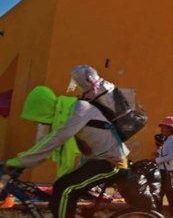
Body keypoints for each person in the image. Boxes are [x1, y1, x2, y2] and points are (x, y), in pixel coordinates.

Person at [3, 86, 127, 218]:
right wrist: (21, 163)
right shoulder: (66, 113)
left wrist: (18, 162)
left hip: (112, 163)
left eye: (40, 117)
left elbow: (54, 141)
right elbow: (49, 145)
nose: (41, 123)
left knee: (66, 189)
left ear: (45, 108)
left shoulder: (79, 111)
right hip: (97, 162)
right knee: (60, 187)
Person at [154, 116, 173, 217]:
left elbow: (171, 156)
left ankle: (158, 215)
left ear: (170, 128)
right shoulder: (169, 139)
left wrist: (156, 160)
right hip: (167, 171)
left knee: (160, 196)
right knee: (170, 198)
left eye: (163, 127)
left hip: (167, 173)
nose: (161, 130)